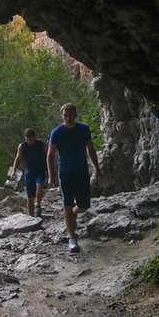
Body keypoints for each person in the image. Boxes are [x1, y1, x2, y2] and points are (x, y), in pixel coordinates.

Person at [46, 103, 102, 253]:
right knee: (67, 204)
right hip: (65, 173)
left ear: (75, 115)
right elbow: (50, 154)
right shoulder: (57, 132)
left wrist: (97, 169)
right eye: (65, 115)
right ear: (62, 116)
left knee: (83, 206)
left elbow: (91, 149)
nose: (68, 118)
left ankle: (72, 215)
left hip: (82, 171)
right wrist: (51, 175)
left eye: (70, 114)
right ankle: (72, 238)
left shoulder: (83, 129)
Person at [9, 128, 47, 217]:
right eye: (28, 140)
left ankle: (38, 205)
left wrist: (50, 170)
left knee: (40, 186)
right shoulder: (22, 146)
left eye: (31, 139)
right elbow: (18, 158)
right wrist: (13, 170)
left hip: (40, 170)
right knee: (30, 197)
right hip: (29, 172)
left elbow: (49, 155)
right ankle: (31, 217)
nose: (30, 141)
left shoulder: (41, 144)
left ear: (34, 137)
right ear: (25, 138)